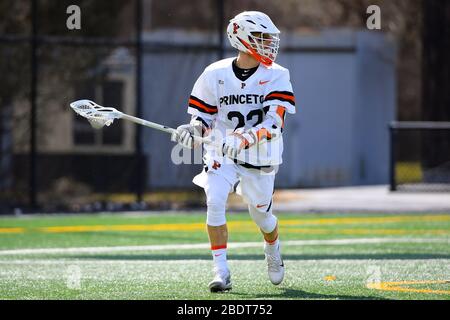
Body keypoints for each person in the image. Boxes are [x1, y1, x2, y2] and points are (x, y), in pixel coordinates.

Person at [171, 11, 296, 293]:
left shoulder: (277, 75)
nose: (269, 44)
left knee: (261, 215)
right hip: (221, 151)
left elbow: (275, 122)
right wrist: (193, 131)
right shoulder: (214, 73)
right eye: (262, 38)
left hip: (260, 154)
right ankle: (221, 271)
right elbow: (203, 118)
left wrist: (244, 139)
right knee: (214, 201)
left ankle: (272, 247)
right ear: (242, 38)